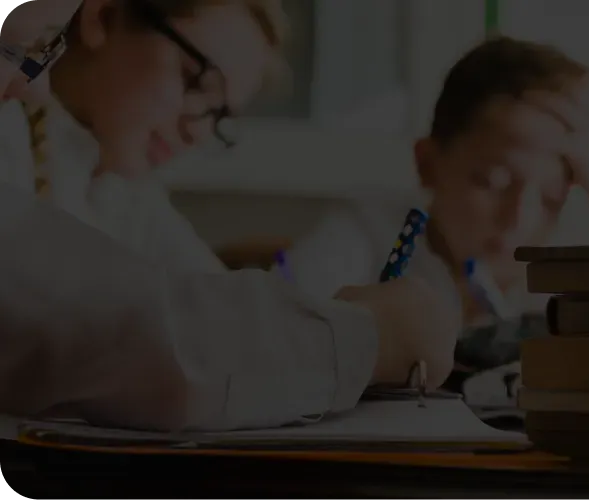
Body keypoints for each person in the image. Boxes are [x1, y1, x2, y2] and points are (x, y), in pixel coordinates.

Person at [0, 0, 461, 431]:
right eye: (195, 81)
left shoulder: (119, 190)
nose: (196, 130)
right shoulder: (11, 131)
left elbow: (211, 305)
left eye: (217, 115)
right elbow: (131, 335)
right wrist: (366, 338)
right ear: (103, 17)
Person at [274, 37, 589, 407]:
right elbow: (274, 331)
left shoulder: (572, 268)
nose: (518, 219)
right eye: (492, 182)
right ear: (428, 163)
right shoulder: (369, 231)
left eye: (551, 197)